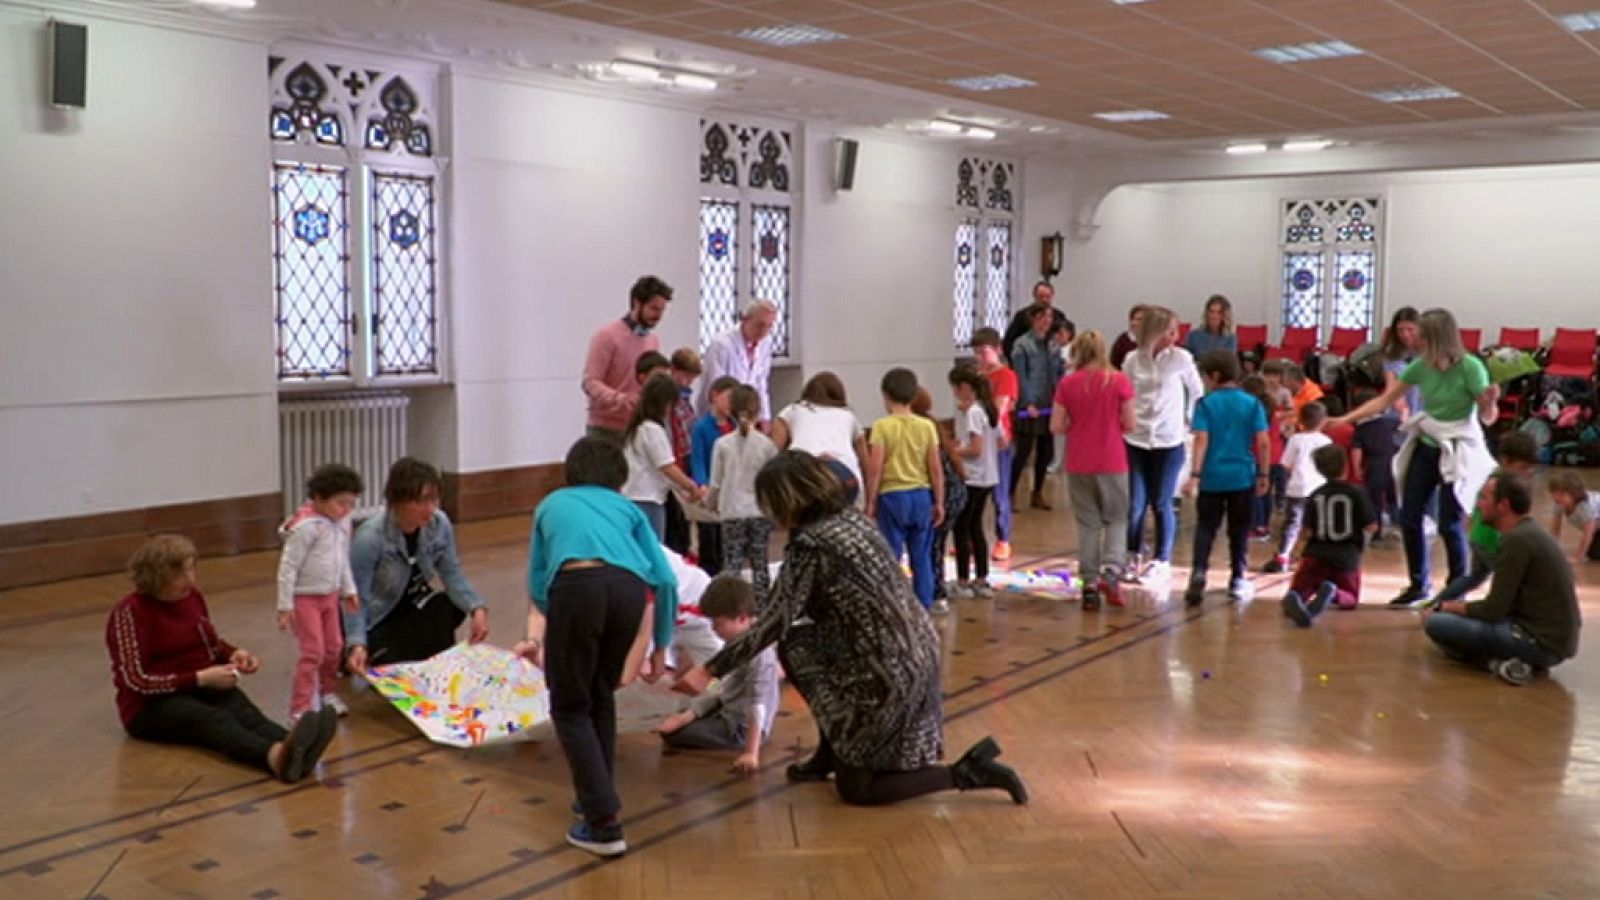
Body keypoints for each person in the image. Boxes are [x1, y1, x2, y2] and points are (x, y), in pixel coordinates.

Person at [675, 451, 1027, 807]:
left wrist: (709, 669)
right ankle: (832, 751)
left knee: (860, 790)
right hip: (914, 650)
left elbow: (772, 622)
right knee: (800, 644)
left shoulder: (812, 545)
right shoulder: (851, 520)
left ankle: (967, 772)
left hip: (886, 669)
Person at [516, 437, 681, 857]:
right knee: (599, 697)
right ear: (619, 480)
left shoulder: (551, 504)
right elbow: (665, 579)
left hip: (576, 587)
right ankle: (595, 795)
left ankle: (604, 822)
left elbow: (537, 577)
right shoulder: (627, 508)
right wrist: (661, 644)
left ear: (570, 473)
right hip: (628, 591)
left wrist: (552, 626)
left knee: (570, 706)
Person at [108, 534, 337, 783]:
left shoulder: (191, 597)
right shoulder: (129, 613)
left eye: (191, 570)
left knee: (244, 711)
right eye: (179, 575)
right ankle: (273, 757)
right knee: (213, 720)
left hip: (200, 684)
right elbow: (136, 680)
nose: (190, 580)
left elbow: (209, 643)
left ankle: (293, 745)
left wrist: (233, 654)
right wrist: (199, 678)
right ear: (156, 578)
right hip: (150, 706)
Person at [1334, 308, 1499, 609]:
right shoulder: (1422, 366)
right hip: (1428, 442)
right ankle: (1418, 584)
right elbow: (1385, 399)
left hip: (1457, 446)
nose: (1414, 340)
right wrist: (1345, 418)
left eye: (1421, 335)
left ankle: (1455, 588)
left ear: (1436, 337)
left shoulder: (1470, 367)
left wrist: (1489, 403)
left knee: (1450, 522)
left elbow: (1487, 417)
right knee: (1409, 516)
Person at [1423, 474, 1581, 686]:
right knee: (1454, 623)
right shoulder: (1529, 533)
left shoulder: (1516, 541)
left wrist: (1449, 607)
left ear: (1503, 505)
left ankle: (1497, 663)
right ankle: (1512, 661)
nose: (1479, 505)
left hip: (1539, 642)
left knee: (1437, 623)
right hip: (1553, 641)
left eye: (1485, 498)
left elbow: (1494, 609)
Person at [346, 458, 488, 670]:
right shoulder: (369, 538)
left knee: (447, 606)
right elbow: (356, 598)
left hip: (413, 607)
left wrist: (476, 608)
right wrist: (356, 643)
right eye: (420, 501)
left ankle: (435, 667)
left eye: (434, 500)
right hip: (380, 619)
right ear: (397, 501)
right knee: (388, 651)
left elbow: (452, 573)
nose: (429, 509)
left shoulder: (439, 524)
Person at [655, 576, 779, 774]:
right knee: (683, 709)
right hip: (726, 706)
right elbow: (718, 685)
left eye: (718, 623)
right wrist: (690, 713)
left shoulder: (759, 655)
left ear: (742, 618)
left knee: (674, 735)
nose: (713, 628)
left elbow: (758, 705)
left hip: (740, 726)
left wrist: (750, 752)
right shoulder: (735, 641)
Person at [1052, 331, 1134, 610]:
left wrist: (1079, 425)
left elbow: (1056, 426)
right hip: (1112, 458)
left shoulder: (1067, 383)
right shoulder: (1119, 381)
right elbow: (1131, 422)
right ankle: (1111, 571)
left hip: (1078, 459)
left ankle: (1088, 584)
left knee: (1088, 523)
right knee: (1116, 519)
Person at [1121, 305, 1204, 582]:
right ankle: (1132, 554)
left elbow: (1197, 391)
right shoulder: (1133, 360)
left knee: (1161, 501)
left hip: (1169, 439)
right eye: (1169, 331)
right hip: (1137, 437)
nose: (1175, 336)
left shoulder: (1181, 358)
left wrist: (1190, 421)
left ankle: (1161, 560)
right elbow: (1125, 395)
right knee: (1136, 503)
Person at [1183, 350, 1270, 607]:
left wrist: (1195, 474)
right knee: (1239, 530)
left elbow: (1201, 439)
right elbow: (1263, 442)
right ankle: (1238, 578)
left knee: (1206, 527)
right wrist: (1264, 473)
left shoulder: (1206, 404)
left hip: (1212, 477)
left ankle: (1199, 572)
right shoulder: (1252, 403)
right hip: (1242, 476)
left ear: (1215, 376)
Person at [276, 463, 362, 720]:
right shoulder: (306, 528)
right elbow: (288, 567)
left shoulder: (341, 523)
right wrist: (285, 606)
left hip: (330, 596)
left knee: (334, 647)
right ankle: (300, 705)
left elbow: (342, 559)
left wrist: (349, 590)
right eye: (341, 503)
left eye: (351, 503)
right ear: (320, 499)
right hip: (305, 598)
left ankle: (328, 693)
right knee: (312, 651)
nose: (346, 509)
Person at [864, 368, 946, 611]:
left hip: (892, 497)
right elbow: (936, 468)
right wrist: (939, 501)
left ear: (886, 396)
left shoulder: (881, 426)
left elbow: (875, 468)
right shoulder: (927, 427)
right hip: (921, 495)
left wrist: (870, 502)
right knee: (921, 557)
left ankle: (893, 607)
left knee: (891, 556)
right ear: (913, 397)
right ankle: (923, 607)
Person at [1431, 431, 1539, 606]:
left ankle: (1438, 603)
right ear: (1506, 461)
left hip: (1479, 537)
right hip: (1490, 541)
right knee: (1508, 577)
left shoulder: (1494, 478)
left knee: (1474, 578)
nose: (1528, 472)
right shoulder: (1502, 484)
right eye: (1523, 467)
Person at [1282, 445, 1378, 627]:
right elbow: (1371, 526)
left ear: (1318, 469)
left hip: (1316, 553)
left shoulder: (1315, 495)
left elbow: (1306, 531)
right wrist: (1361, 547)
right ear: (1346, 465)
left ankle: (1297, 596)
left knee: (1303, 585)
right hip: (1346, 556)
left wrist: (1296, 552)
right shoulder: (1357, 494)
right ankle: (1334, 594)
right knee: (1350, 598)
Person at [710, 385, 778, 606]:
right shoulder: (767, 445)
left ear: (730, 410)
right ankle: (762, 607)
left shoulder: (722, 444)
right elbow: (771, 483)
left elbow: (716, 482)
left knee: (732, 563)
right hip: (759, 511)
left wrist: (711, 504)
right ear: (758, 411)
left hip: (731, 511)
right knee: (760, 564)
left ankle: (730, 607)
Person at [582, 275, 672, 441]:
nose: (659, 315)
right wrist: (621, 399)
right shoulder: (607, 336)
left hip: (639, 427)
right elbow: (590, 383)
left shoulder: (653, 340)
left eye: (662, 310)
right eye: (654, 309)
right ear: (637, 303)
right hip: (606, 428)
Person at [622, 374, 706, 539]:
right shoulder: (652, 430)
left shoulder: (638, 428)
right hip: (647, 498)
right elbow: (666, 466)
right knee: (654, 547)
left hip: (636, 495)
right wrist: (691, 486)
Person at [771, 371, 867, 505]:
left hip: (804, 468)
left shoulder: (792, 410)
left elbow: (773, 452)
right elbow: (864, 460)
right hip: (844, 471)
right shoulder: (849, 416)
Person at [911, 385, 967, 616]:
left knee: (931, 546)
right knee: (936, 544)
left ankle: (935, 593)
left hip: (944, 492)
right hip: (956, 491)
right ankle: (935, 589)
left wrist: (938, 502)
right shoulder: (934, 425)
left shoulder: (920, 428)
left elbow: (934, 469)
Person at [948, 366, 1001, 601]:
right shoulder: (989, 410)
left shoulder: (973, 413)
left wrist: (956, 450)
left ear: (963, 388)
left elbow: (976, 449)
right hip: (989, 476)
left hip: (973, 477)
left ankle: (963, 580)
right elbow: (1003, 443)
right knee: (976, 527)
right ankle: (981, 577)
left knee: (962, 527)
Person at [1264, 402, 1332, 573]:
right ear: (1323, 421)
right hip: (1319, 487)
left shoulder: (1296, 439)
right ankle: (1318, 559)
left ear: (1300, 420)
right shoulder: (1326, 441)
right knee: (1319, 524)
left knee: (1292, 523)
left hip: (1298, 487)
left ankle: (1283, 557)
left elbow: (1286, 464)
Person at [971, 328, 1019, 561]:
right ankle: (972, 536)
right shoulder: (978, 377)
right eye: (977, 353)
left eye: (985, 352)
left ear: (998, 349)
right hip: (977, 439)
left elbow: (1000, 408)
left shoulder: (1006, 376)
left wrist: (997, 434)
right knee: (974, 493)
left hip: (997, 441)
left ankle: (1003, 539)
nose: (980, 357)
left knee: (999, 493)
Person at [1010, 306, 1062, 511]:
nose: (1046, 321)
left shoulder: (1052, 344)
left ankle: (1038, 492)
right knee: (1023, 451)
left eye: (1049, 317)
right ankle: (1010, 492)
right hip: (1030, 404)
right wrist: (1028, 401)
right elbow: (1020, 376)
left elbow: (1057, 373)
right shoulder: (1022, 345)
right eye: (1042, 317)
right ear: (1033, 319)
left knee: (1046, 451)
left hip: (1049, 403)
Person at [698, 298, 778, 423]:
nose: (764, 332)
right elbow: (715, 388)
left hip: (748, 415)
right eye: (760, 325)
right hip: (721, 416)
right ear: (745, 319)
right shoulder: (722, 345)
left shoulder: (765, 344)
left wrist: (764, 416)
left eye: (769, 326)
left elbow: (761, 383)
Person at [690, 375, 740, 575]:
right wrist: (702, 484)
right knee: (709, 541)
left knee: (730, 543)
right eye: (728, 397)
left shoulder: (736, 425)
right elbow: (698, 458)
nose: (731, 404)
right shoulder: (701, 427)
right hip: (712, 489)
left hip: (732, 490)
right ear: (714, 395)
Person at [663, 348, 702, 556]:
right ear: (673, 370)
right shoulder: (669, 399)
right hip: (672, 459)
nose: (687, 382)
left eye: (692, 378)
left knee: (685, 515)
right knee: (675, 515)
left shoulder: (686, 400)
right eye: (685, 376)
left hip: (685, 457)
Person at [1349, 386, 1401, 540]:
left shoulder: (1361, 429)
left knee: (1375, 501)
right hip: (1395, 465)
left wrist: (1357, 468)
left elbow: (1356, 450)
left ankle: (1377, 533)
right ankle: (1399, 527)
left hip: (1374, 467)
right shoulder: (1392, 422)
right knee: (1395, 498)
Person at [1241, 375, 1281, 540]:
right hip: (1276, 456)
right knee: (1266, 494)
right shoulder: (1272, 408)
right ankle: (1264, 525)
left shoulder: (1254, 411)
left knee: (1255, 492)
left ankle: (1256, 526)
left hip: (1258, 455)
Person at [1001, 279, 1072, 364]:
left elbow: (1066, 339)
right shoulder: (1022, 316)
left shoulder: (1059, 316)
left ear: (1052, 296)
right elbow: (1008, 343)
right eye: (1041, 296)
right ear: (1034, 296)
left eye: (1047, 297)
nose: (1044, 300)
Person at [1547, 470, 1600, 566]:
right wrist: (1551, 549)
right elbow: (1555, 529)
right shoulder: (1560, 503)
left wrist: (1577, 558)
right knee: (1594, 553)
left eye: (1562, 494)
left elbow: (1588, 535)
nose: (1556, 497)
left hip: (1596, 528)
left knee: (1594, 552)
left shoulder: (1585, 507)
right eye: (1554, 493)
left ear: (1575, 493)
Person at [1110, 304, 1146, 371]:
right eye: (1133, 319)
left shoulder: (1153, 341)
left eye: (1139, 319)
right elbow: (1113, 365)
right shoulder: (1122, 341)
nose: (1134, 323)